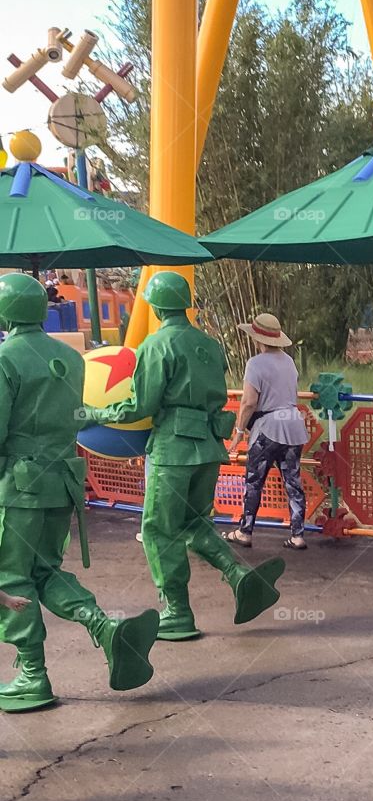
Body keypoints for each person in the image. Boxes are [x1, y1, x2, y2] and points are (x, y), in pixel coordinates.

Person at [86, 272, 285, 641]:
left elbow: (142, 405)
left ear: (156, 305)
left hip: (173, 449)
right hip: (208, 447)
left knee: (159, 531)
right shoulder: (209, 344)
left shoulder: (155, 344)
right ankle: (239, 575)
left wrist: (96, 414)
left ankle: (176, 611)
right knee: (195, 523)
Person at [0, 274, 159, 711]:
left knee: (10, 577)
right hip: (62, 480)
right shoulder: (70, 359)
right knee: (45, 572)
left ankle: (33, 675)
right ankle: (104, 627)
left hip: (18, 486)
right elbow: (75, 415)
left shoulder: (4, 359)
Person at [224, 313, 309, 552]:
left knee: (254, 481)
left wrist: (240, 431)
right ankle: (298, 535)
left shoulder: (255, 363)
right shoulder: (289, 361)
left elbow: (249, 402)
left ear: (256, 338)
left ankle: (245, 531)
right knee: (292, 481)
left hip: (268, 428)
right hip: (293, 423)